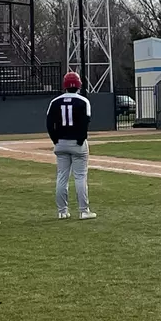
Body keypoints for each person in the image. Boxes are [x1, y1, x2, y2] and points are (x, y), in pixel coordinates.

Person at [46, 71, 96, 220]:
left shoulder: (55, 102)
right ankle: (83, 210)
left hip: (60, 142)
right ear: (79, 85)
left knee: (62, 177)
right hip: (77, 143)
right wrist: (80, 139)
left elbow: (49, 124)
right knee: (80, 177)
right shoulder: (83, 101)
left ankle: (62, 211)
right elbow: (85, 123)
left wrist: (55, 139)